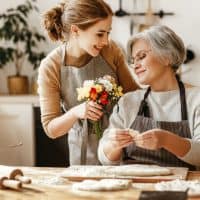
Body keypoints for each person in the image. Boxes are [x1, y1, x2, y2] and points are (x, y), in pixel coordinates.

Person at [38, 0, 138, 166]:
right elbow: (51, 128)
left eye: (108, 33)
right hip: (83, 153)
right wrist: (76, 112)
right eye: (100, 34)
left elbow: (133, 96)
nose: (105, 41)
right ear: (75, 30)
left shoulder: (110, 50)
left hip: (121, 145)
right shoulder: (51, 66)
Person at [98, 25, 200, 170]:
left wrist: (166, 140)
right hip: (130, 185)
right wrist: (114, 145)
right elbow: (104, 158)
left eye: (141, 56)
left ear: (167, 57)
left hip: (178, 187)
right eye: (133, 60)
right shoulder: (128, 101)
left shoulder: (196, 99)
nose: (135, 65)